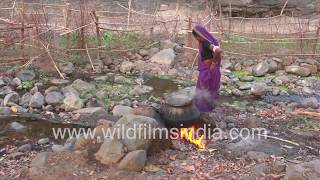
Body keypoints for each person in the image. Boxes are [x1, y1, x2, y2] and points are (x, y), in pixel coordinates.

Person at [192, 24, 222, 112]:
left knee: (204, 92)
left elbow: (218, 50)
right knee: (210, 90)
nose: (196, 39)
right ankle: (210, 108)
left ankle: (204, 111)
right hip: (212, 71)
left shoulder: (206, 43)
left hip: (207, 72)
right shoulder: (209, 41)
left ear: (199, 35)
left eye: (196, 37)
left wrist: (213, 63)